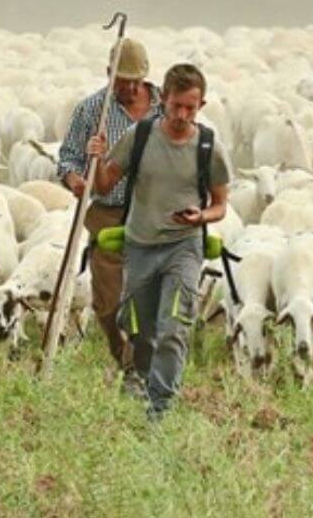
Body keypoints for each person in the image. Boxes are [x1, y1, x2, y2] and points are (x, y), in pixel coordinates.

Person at [94, 62, 230, 422]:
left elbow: (220, 205)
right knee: (140, 328)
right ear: (163, 100)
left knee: (173, 327)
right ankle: (141, 378)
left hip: (183, 247)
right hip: (140, 245)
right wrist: (97, 158)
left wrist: (200, 216)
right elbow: (104, 185)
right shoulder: (139, 136)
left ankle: (160, 408)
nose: (182, 115)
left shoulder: (208, 147)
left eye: (190, 108)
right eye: (176, 106)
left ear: (201, 105)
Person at [56, 38, 160, 394]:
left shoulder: (165, 107)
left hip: (154, 213)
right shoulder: (91, 111)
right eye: (122, 81)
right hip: (108, 213)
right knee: (108, 302)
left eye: (136, 81)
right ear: (108, 74)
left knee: (149, 294)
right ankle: (125, 358)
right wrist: (75, 179)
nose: (129, 88)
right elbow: (68, 158)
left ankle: (138, 369)